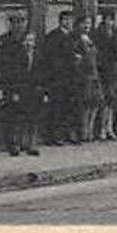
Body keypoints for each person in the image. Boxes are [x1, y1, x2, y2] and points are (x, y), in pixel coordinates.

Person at [0, 27, 42, 156]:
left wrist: (43, 91)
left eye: (32, 40)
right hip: (20, 90)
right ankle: (15, 145)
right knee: (17, 119)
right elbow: (12, 75)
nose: (29, 43)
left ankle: (30, 145)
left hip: (34, 91)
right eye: (27, 40)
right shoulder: (16, 55)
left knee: (32, 119)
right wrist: (13, 91)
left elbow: (43, 73)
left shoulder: (37, 55)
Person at [38, 10, 80, 145]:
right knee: (57, 107)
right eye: (65, 20)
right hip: (58, 78)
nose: (68, 23)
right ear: (60, 21)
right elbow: (50, 57)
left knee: (69, 107)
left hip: (71, 77)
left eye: (70, 20)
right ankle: (54, 136)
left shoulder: (73, 36)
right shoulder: (53, 36)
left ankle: (67, 133)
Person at [93, 11, 117, 139]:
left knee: (111, 101)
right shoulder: (97, 34)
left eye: (112, 20)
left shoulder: (116, 34)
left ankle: (109, 127)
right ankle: (100, 129)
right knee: (102, 100)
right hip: (102, 70)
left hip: (113, 71)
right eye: (108, 19)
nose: (110, 22)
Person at [74, 17, 103, 142]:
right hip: (84, 75)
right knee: (85, 104)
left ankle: (90, 130)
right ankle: (83, 131)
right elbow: (77, 60)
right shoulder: (76, 40)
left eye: (89, 23)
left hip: (94, 74)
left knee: (95, 102)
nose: (87, 26)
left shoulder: (92, 39)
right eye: (84, 23)